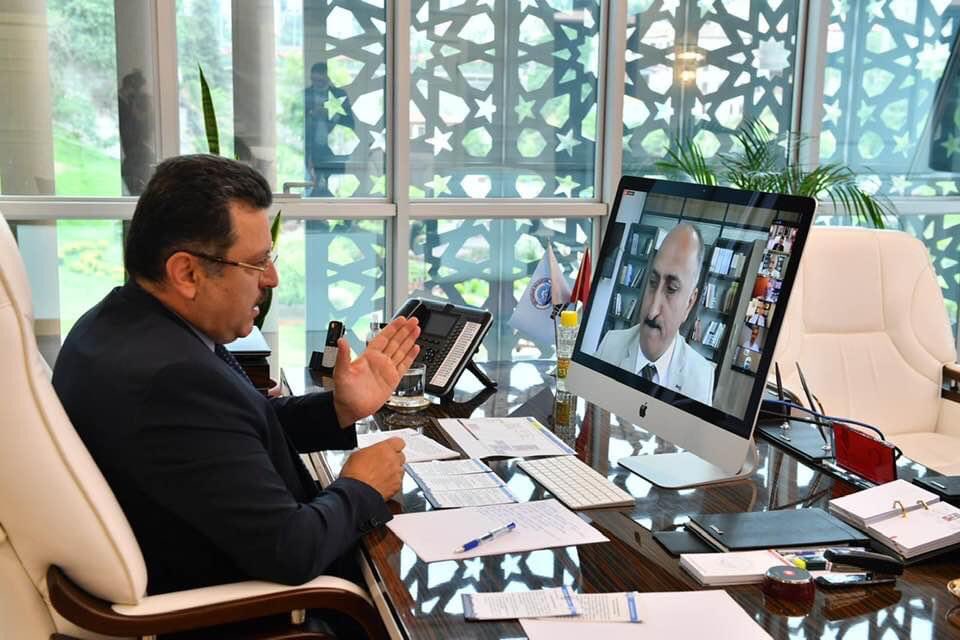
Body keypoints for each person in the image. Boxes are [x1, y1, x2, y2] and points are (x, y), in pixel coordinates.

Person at [52, 154, 420, 597]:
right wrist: (360, 486)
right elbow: (291, 550)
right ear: (187, 273)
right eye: (257, 263)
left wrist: (339, 409)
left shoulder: (121, 322)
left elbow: (233, 430)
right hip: (254, 613)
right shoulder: (173, 380)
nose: (273, 279)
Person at [596, 223, 715, 405]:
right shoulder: (610, 346)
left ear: (689, 303)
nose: (652, 311)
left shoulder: (700, 379)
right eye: (652, 282)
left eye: (671, 289)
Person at [305, 61, 355, 197]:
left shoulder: (339, 95)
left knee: (335, 191)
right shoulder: (305, 95)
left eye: (321, 81)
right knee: (310, 189)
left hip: (335, 150)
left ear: (328, 78)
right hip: (310, 150)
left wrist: (332, 116)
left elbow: (350, 123)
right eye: (314, 80)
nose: (317, 84)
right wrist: (312, 115)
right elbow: (296, 122)